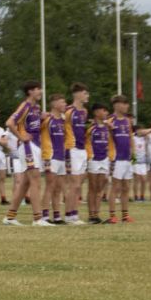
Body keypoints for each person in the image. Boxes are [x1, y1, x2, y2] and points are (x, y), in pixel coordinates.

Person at [2, 81, 50, 226]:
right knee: (36, 180)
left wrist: (42, 117)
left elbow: (32, 124)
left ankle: (10, 217)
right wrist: (21, 137)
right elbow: (10, 122)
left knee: (24, 184)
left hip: (35, 145)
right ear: (30, 92)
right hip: (28, 146)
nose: (40, 91)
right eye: (37, 89)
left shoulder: (35, 108)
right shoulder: (26, 106)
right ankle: (38, 218)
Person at [39, 93, 69, 224]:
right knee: (49, 186)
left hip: (61, 157)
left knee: (58, 188)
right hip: (51, 157)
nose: (65, 105)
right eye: (62, 102)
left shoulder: (63, 121)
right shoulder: (47, 120)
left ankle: (57, 216)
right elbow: (34, 131)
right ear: (55, 104)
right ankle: (44, 216)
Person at [63, 83, 90, 223]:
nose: (87, 96)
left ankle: (73, 214)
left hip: (82, 149)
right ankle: (69, 215)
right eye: (85, 93)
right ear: (77, 94)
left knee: (78, 185)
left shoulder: (84, 112)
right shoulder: (68, 111)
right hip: (71, 149)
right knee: (73, 184)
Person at [107, 95, 135, 223]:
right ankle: (112, 215)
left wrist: (133, 154)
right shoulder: (110, 120)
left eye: (127, 104)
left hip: (127, 158)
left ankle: (125, 215)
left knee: (126, 187)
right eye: (124, 104)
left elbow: (130, 138)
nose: (126, 106)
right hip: (116, 158)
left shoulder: (127, 121)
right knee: (115, 187)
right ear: (117, 105)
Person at [85, 102, 111, 224]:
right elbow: (86, 142)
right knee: (93, 187)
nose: (105, 113)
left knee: (101, 187)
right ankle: (91, 215)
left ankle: (97, 214)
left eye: (106, 111)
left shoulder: (107, 128)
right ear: (96, 112)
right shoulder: (91, 128)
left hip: (104, 159)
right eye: (103, 110)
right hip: (94, 159)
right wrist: (90, 156)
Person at [131, 125, 149, 202]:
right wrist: (133, 161)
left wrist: (144, 132)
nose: (140, 131)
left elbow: (150, 131)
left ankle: (142, 196)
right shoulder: (133, 138)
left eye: (141, 130)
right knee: (137, 179)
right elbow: (132, 150)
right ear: (136, 131)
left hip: (143, 161)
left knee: (144, 180)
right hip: (136, 161)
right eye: (139, 130)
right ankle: (136, 196)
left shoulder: (144, 138)